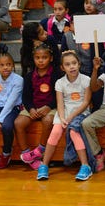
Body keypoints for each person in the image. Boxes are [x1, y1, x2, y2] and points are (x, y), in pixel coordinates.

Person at [36, 50, 93, 181]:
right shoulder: (59, 83)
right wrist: (62, 118)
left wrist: (71, 117)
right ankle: (44, 165)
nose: (71, 66)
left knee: (73, 131)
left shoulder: (86, 80)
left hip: (80, 112)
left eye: (74, 63)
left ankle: (85, 166)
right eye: (67, 64)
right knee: (55, 132)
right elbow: (60, 103)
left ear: (79, 64)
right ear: (62, 68)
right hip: (64, 113)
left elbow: (85, 102)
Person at [16, 43, 58, 170]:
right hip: (33, 107)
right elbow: (26, 97)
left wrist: (49, 107)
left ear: (50, 58)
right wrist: (31, 109)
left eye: (44, 57)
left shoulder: (56, 74)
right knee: (18, 123)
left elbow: (59, 95)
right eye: (37, 58)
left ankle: (40, 150)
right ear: (33, 59)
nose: (40, 60)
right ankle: (27, 154)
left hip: (50, 107)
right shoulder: (29, 76)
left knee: (48, 120)